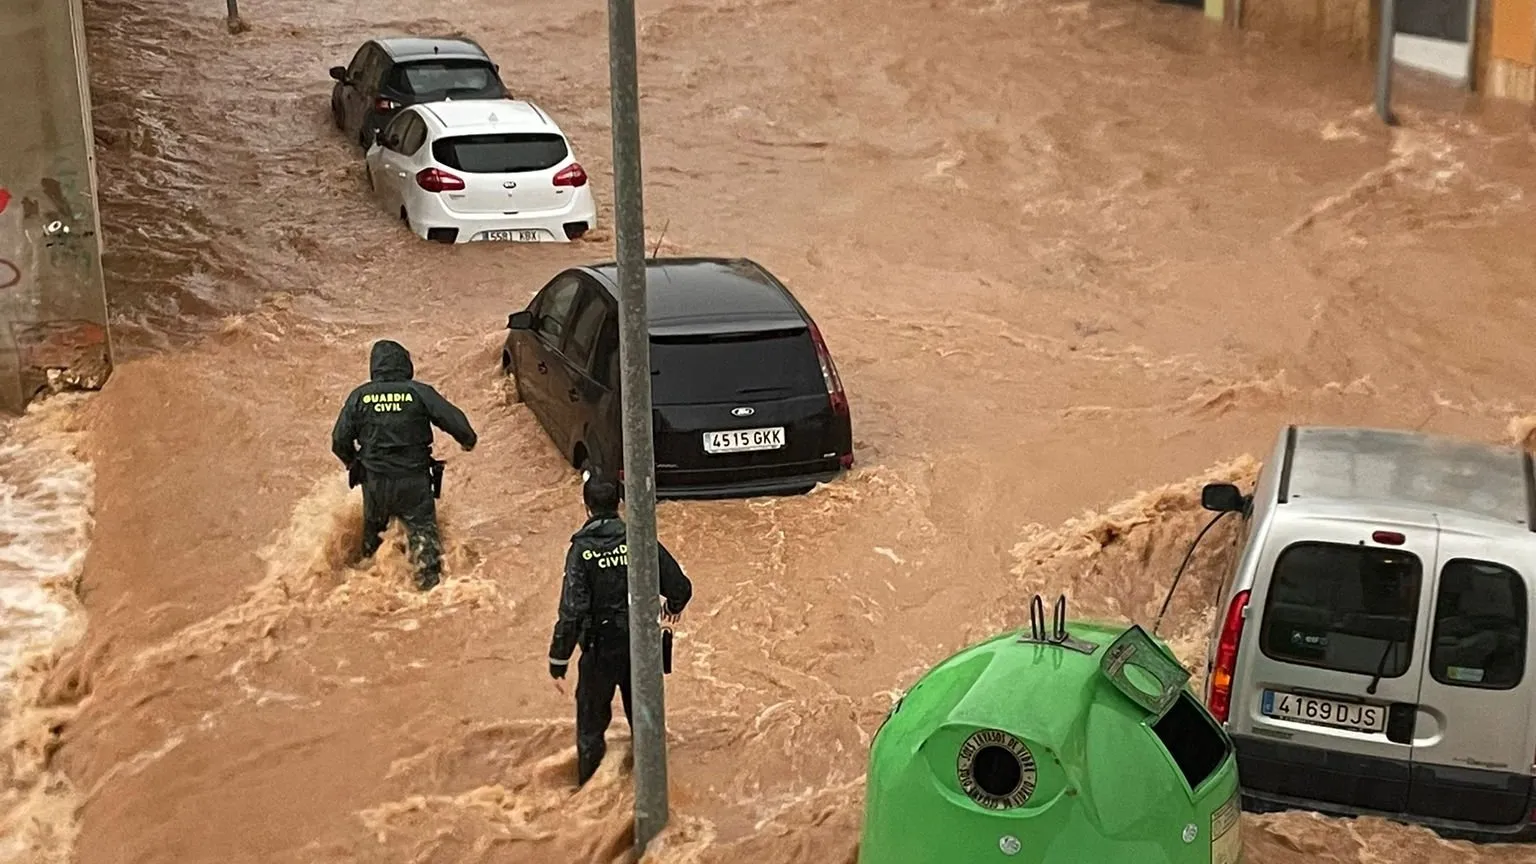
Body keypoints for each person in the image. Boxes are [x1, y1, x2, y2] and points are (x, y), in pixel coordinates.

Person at [548, 472, 693, 786]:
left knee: (590, 727)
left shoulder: (582, 551)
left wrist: (558, 659)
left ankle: (588, 796)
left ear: (587, 508)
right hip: (641, 646)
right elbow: (679, 586)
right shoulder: (639, 540)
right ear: (619, 504)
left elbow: (572, 610)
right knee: (646, 723)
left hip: (600, 651)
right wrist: (672, 609)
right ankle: (653, 790)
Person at [330, 339, 477, 590]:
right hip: (414, 483)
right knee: (425, 546)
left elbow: (338, 441)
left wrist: (353, 462)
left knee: (373, 548)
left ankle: (367, 594)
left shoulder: (359, 397)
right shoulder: (418, 392)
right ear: (405, 365)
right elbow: (456, 423)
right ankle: (431, 598)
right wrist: (467, 441)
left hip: (375, 484)